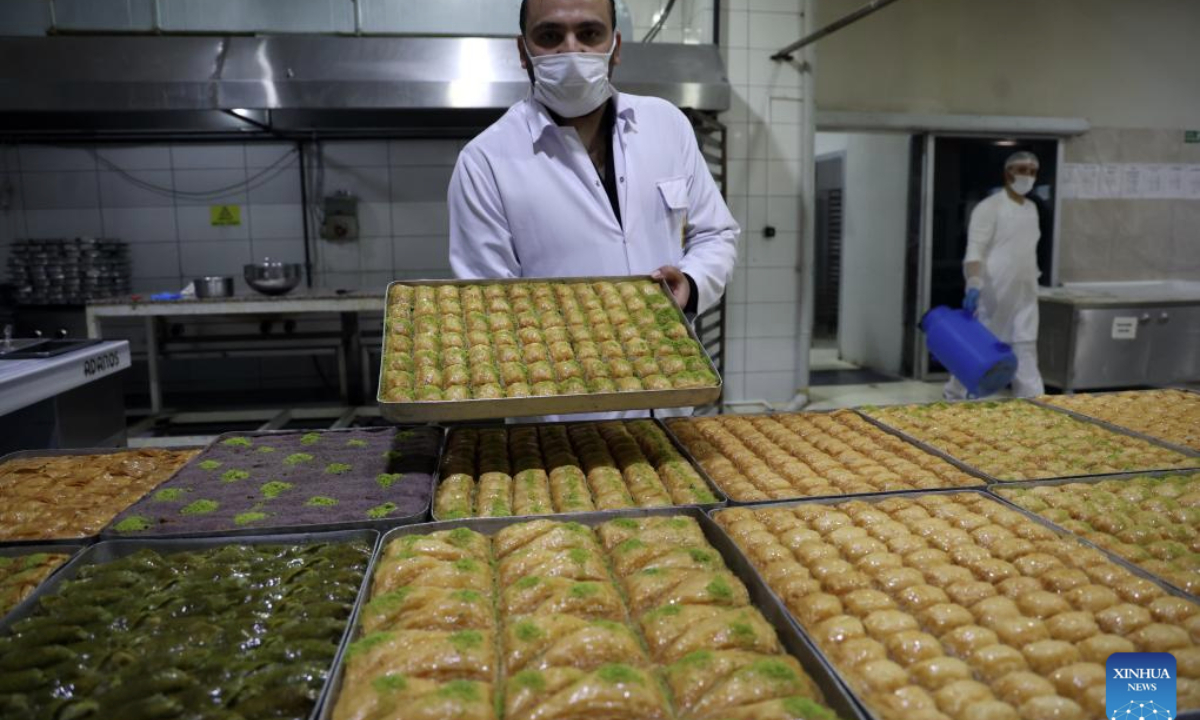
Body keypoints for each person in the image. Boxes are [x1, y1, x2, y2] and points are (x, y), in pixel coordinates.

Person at [448, 0, 739, 318]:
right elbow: (491, 301)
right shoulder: (484, 162)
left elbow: (715, 233)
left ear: (615, 46)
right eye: (549, 36)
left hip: (669, 359)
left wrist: (692, 283)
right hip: (561, 364)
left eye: (589, 33)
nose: (572, 51)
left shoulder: (667, 124)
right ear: (523, 51)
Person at [945, 151, 1045, 400]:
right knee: (979, 352)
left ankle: (1036, 408)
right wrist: (974, 284)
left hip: (1025, 296)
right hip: (993, 295)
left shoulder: (1032, 209)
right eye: (1022, 170)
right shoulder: (989, 208)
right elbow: (974, 251)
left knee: (1025, 350)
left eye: (1033, 172)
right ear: (1007, 172)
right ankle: (955, 395)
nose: (1028, 176)